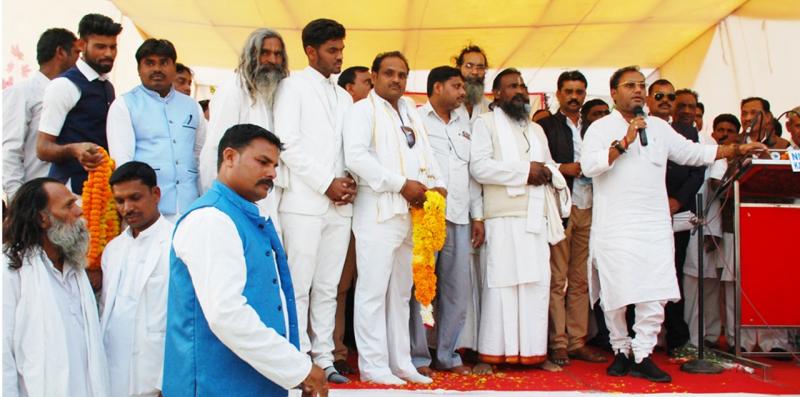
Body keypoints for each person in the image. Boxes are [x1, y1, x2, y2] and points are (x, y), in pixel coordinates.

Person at [581, 65, 766, 383]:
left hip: (653, 224)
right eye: (630, 85)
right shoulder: (600, 128)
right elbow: (589, 165)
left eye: (642, 85)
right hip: (615, 225)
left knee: (653, 291)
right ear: (614, 93)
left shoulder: (659, 128)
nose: (638, 90)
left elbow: (694, 154)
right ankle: (621, 350)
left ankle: (643, 353)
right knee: (615, 292)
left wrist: (736, 149)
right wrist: (624, 143)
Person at [162, 124, 327, 396]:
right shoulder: (211, 219)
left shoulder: (241, 215)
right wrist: (298, 369)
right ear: (229, 157)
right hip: (213, 386)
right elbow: (227, 314)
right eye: (263, 162)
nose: (272, 173)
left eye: (275, 165)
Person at [343, 51, 445, 385]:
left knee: (401, 293)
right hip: (378, 211)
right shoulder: (361, 111)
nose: (396, 80)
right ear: (373, 76)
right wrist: (400, 185)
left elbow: (426, 154)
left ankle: (401, 363)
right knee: (372, 291)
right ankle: (373, 365)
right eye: (389, 73)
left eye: (402, 74)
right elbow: (356, 157)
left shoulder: (411, 112)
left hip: (413, 212)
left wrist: (438, 185)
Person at [272, 18, 355, 384]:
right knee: (299, 284)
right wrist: (326, 183)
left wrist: (349, 181)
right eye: (332, 50)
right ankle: (299, 359)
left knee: (328, 286)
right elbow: (286, 143)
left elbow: (348, 147)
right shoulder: (291, 87)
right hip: (305, 201)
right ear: (311, 51)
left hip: (340, 204)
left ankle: (325, 357)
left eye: (341, 49)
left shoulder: (345, 95)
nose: (339, 57)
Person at [469, 68, 563, 374]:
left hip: (535, 217)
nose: (519, 91)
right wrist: (526, 171)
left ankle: (536, 352)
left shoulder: (536, 130)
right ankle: (492, 353)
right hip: (502, 218)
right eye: (512, 86)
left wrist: (548, 171)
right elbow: (480, 168)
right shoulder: (484, 123)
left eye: (522, 85)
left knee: (537, 285)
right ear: (497, 93)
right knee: (501, 286)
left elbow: (547, 163)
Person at [3, 178, 109, 396]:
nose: (79, 211)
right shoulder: (11, 269)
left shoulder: (76, 269)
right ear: (43, 219)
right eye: (69, 205)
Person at [410, 66, 484, 376]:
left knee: (457, 290)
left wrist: (477, 215)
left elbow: (471, 172)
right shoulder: (414, 119)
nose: (462, 91)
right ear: (437, 87)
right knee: (422, 291)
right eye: (456, 86)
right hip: (426, 216)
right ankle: (418, 358)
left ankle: (448, 354)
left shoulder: (465, 122)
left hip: (460, 216)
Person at [536, 70, 606, 366]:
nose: (574, 97)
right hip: (561, 207)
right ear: (558, 94)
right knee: (557, 278)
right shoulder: (546, 126)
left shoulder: (596, 127)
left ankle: (578, 340)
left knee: (581, 279)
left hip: (590, 207)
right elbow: (538, 161)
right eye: (569, 91)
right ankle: (558, 342)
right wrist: (564, 167)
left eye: (579, 92)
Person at [198, 28, 289, 232]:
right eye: (265, 53)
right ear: (250, 55)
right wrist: (217, 200)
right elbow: (215, 149)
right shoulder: (233, 89)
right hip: (234, 199)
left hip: (263, 196)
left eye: (277, 54)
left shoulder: (268, 92)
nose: (272, 60)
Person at [106, 39, 206, 222]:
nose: (157, 69)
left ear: (174, 67)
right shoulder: (124, 105)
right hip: (148, 213)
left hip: (191, 208)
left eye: (164, 62)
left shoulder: (192, 107)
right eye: (149, 63)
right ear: (139, 69)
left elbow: (202, 157)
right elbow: (123, 164)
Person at [100, 161, 171, 397]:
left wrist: (165, 382)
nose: (127, 207)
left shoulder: (177, 242)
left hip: (156, 378)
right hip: (113, 376)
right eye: (120, 201)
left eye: (135, 197)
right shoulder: (112, 249)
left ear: (156, 194)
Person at [36, 13, 122, 195]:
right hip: (70, 193)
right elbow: (43, 149)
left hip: (100, 193)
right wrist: (75, 149)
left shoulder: (107, 86)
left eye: (113, 47)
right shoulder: (63, 85)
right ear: (81, 45)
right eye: (100, 46)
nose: (108, 53)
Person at [3, 28, 79, 200]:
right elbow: (10, 151)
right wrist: (18, 200)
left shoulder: (74, 92)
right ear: (60, 52)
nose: (80, 60)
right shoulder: (22, 93)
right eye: (76, 52)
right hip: (35, 199)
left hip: (68, 198)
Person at [330, 65, 371, 376]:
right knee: (329, 285)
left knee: (350, 286)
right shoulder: (341, 113)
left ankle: (344, 348)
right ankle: (328, 351)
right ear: (348, 89)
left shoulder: (372, 116)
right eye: (366, 83)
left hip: (364, 212)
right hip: (329, 206)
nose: (372, 87)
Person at [663, 88, 705, 356]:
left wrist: (677, 201)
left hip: (677, 214)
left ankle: (677, 338)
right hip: (649, 212)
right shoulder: (658, 129)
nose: (687, 111)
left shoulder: (692, 136)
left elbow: (697, 172)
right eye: (682, 106)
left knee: (674, 275)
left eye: (692, 106)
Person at [455, 45, 492, 121]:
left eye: (480, 67)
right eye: (469, 66)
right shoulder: (446, 106)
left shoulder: (490, 108)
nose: (475, 72)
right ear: (458, 69)